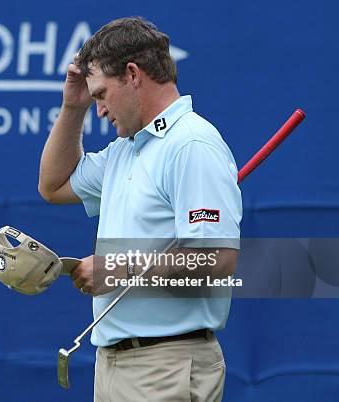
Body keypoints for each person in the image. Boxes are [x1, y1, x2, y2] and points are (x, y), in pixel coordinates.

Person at [38, 17, 242, 402]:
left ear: (132, 75)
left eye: (100, 95)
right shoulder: (126, 150)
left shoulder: (191, 144)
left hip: (168, 366)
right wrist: (72, 106)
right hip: (116, 363)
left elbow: (217, 260)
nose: (98, 110)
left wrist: (116, 270)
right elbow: (53, 185)